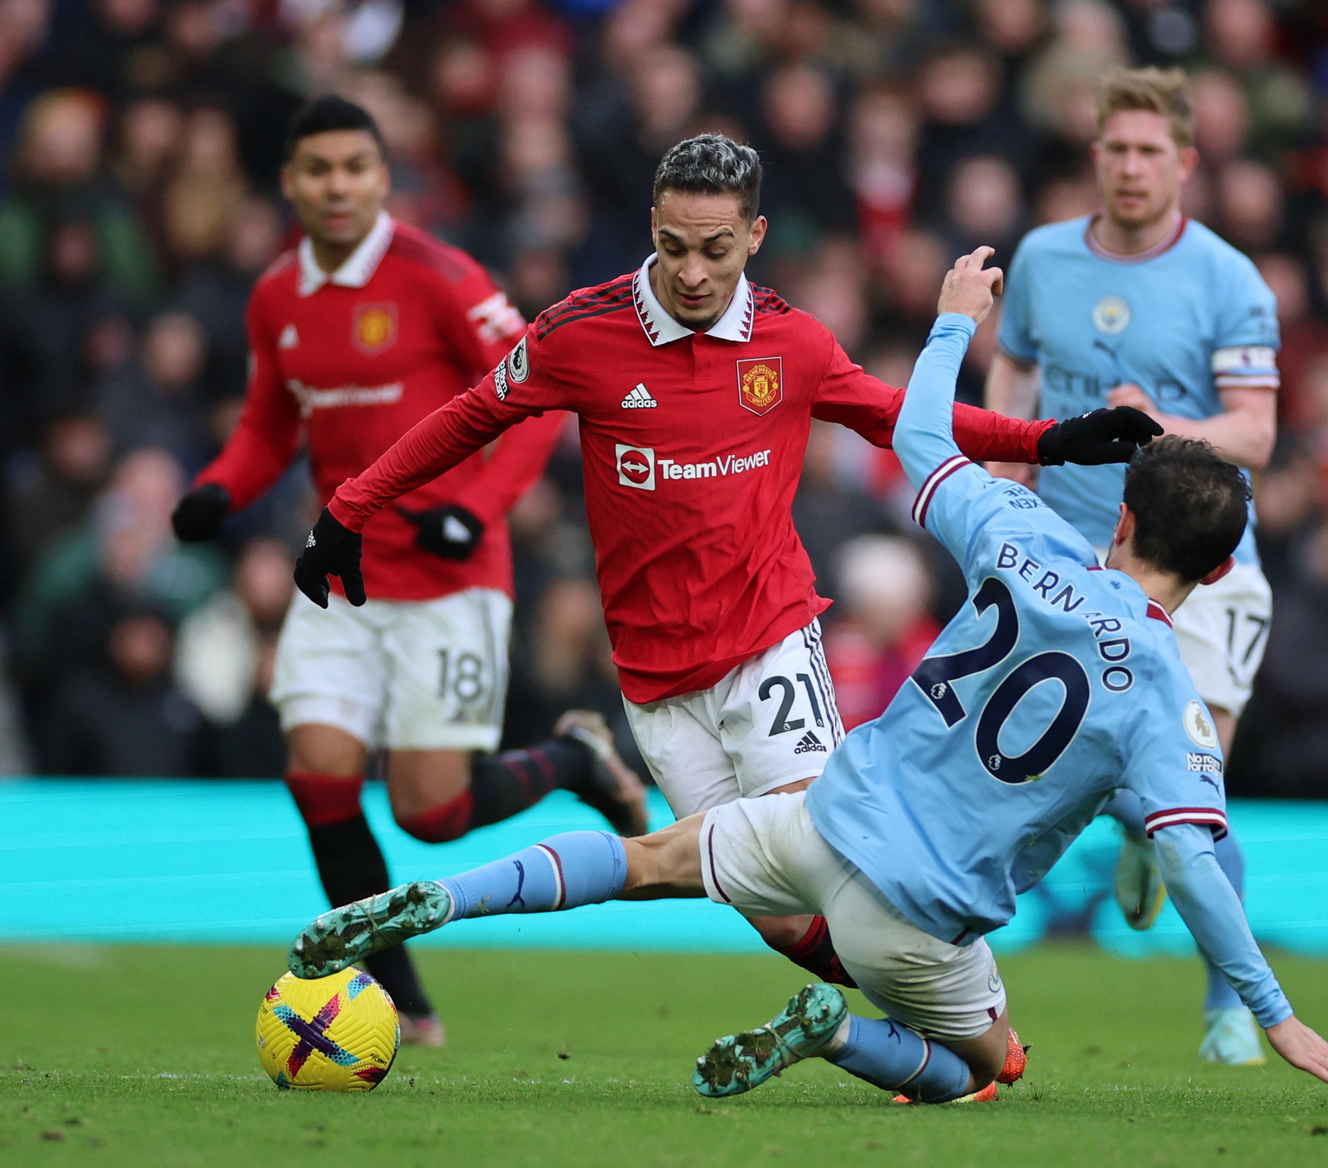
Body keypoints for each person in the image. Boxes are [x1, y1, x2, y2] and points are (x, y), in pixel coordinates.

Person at [284, 250, 1328, 1106]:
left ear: (1121, 516)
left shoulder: (1021, 533)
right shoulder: (1168, 700)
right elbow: (1189, 850)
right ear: (1222, 565)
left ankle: (433, 900)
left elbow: (922, 435)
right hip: (917, 920)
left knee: (649, 856)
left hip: (821, 818)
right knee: (995, 1064)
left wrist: (954, 320)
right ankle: (842, 1031)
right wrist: (1268, 1008)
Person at [291, 131, 1151, 990]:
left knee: (824, 858)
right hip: (654, 677)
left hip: (767, 641)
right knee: (781, 919)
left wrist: (1047, 439)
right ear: (652, 226)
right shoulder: (577, 335)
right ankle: (938, 1015)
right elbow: (470, 415)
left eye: (714, 249)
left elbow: (903, 419)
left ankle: (977, 1029)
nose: (692, 272)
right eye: (673, 247)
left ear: (755, 236)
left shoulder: (794, 344)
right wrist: (350, 508)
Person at [169, 96, 649, 1047]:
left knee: (432, 816)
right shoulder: (276, 297)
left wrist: (478, 509)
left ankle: (570, 758)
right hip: (337, 574)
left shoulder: (440, 276)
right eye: (319, 169)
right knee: (320, 780)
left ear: (384, 177)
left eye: (355, 166)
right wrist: (219, 490)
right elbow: (271, 425)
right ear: (291, 182)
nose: (337, 185)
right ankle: (400, 1000)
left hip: (448, 579)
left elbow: (537, 395)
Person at [983, 66, 1281, 1066]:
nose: (1130, 167)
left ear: (1184, 162)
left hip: (1200, 564)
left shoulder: (1227, 279)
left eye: (1150, 150)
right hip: (1072, 555)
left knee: (1198, 788)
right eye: (1114, 148)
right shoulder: (1040, 258)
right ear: (1094, 155)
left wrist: (1164, 428)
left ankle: (1228, 1008)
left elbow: (1258, 431)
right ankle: (1130, 838)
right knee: (1044, 769)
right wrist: (1000, 485)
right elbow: (1014, 378)